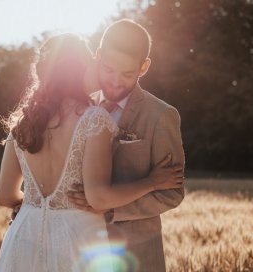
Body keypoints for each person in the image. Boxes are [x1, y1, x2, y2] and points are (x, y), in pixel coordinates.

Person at [0, 33, 184, 272]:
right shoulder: (93, 118)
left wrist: (38, 206)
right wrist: (152, 182)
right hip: (76, 238)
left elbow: (4, 196)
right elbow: (98, 198)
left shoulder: (23, 122)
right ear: (83, 68)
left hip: (25, 235)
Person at [66, 19, 186, 271]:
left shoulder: (161, 115)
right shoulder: (77, 106)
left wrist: (109, 208)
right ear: (98, 56)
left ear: (144, 67)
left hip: (136, 252)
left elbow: (172, 192)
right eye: (108, 69)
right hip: (77, 247)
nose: (115, 82)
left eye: (127, 74)